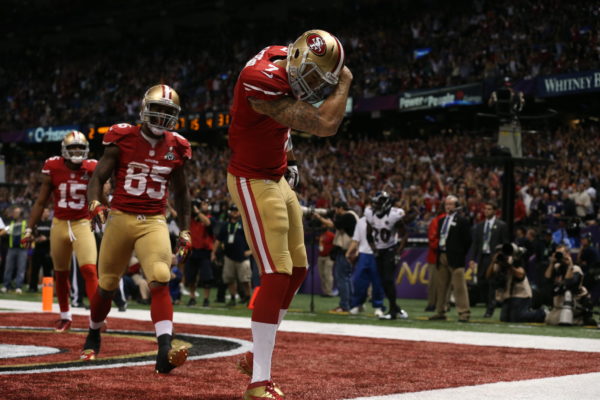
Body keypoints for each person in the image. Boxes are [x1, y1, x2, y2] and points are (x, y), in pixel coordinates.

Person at [226, 29, 351, 399]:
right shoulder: (259, 79)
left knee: (298, 269)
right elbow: (326, 124)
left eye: (322, 80)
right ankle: (258, 381)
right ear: (296, 61)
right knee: (277, 271)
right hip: (250, 178)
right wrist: (344, 81)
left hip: (276, 175)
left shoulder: (283, 54)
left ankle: (255, 357)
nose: (315, 87)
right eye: (312, 77)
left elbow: (282, 124)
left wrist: (291, 159)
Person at [80, 84, 192, 375]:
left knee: (160, 277)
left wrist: (185, 229)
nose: (161, 116)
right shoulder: (123, 136)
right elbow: (98, 176)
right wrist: (94, 201)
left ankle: (164, 347)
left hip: (154, 220)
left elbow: (182, 194)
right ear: (144, 109)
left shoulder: (178, 145)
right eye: (158, 109)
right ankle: (94, 332)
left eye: (168, 112)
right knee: (106, 286)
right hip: (120, 217)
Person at [365, 191, 409, 320]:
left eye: (378, 203)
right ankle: (396, 308)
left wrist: (398, 252)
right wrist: (374, 249)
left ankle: (393, 312)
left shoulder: (393, 215)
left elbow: (405, 234)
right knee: (384, 282)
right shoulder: (370, 214)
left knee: (388, 280)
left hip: (390, 249)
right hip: (380, 250)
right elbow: (369, 234)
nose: (375, 206)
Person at [429, 195, 472, 322]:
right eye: (446, 204)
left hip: (455, 257)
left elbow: (468, 240)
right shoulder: (442, 220)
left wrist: (460, 253)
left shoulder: (462, 221)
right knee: (441, 286)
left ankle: (464, 313)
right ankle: (440, 311)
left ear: (457, 206)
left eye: (451, 204)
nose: (448, 207)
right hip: (441, 254)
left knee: (459, 286)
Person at [315, 201, 358, 313]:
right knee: (346, 278)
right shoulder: (352, 216)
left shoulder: (348, 215)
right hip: (349, 250)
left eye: (337, 209)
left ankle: (344, 305)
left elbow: (333, 225)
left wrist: (319, 217)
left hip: (346, 251)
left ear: (341, 208)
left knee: (342, 278)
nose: (336, 212)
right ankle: (351, 304)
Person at [486, 243, 546, 323]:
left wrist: (509, 266)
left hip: (521, 294)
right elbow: (488, 276)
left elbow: (521, 275)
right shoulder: (498, 262)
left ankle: (541, 313)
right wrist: (493, 262)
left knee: (517, 318)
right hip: (508, 296)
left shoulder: (515, 260)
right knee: (504, 318)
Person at [470, 201, 509, 317]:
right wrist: (473, 259)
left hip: (494, 259)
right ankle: (490, 303)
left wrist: (501, 258)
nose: (486, 211)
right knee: (482, 282)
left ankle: (490, 308)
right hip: (483, 257)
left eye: (489, 209)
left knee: (491, 283)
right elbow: (475, 244)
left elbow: (505, 243)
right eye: (485, 209)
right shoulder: (480, 226)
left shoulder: (501, 225)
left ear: (495, 211)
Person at [211, 203, 252, 306]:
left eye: (236, 210)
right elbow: (218, 240)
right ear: (230, 212)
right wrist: (213, 252)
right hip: (229, 257)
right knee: (229, 279)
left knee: (245, 280)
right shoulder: (225, 225)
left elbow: (253, 239)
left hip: (243, 257)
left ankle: (248, 298)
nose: (235, 212)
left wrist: (251, 251)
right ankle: (233, 298)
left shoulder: (244, 225)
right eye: (233, 210)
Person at [544, 244, 595, 326]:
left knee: (556, 320)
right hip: (558, 304)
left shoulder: (576, 269)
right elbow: (546, 279)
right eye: (557, 253)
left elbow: (568, 283)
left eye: (561, 253)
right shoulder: (557, 267)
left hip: (573, 304)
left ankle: (580, 320)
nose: (559, 256)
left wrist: (569, 265)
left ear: (567, 254)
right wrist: (551, 263)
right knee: (549, 320)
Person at [346, 214, 385, 317]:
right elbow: (356, 239)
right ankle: (358, 304)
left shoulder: (382, 219)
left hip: (377, 254)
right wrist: (349, 252)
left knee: (377, 282)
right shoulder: (361, 221)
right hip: (363, 253)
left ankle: (378, 306)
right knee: (359, 281)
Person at [186, 198, 216, 307]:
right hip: (192, 251)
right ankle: (192, 297)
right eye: (203, 204)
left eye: (206, 204)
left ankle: (206, 299)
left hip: (205, 252)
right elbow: (177, 216)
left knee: (206, 278)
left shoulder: (210, 218)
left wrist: (197, 211)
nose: (205, 206)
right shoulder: (191, 219)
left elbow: (207, 223)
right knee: (191, 277)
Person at [2, 207, 29, 294]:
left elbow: (28, 235)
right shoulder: (11, 223)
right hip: (11, 248)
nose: (14, 214)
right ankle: (6, 285)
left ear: (20, 214)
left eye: (16, 212)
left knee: (21, 268)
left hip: (22, 249)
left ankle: (18, 286)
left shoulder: (25, 223)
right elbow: (5, 232)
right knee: (8, 268)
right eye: (14, 212)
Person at [27, 207, 53, 293]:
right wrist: (35, 238)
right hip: (37, 249)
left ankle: (48, 289)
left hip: (47, 250)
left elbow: (54, 236)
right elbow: (31, 235)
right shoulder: (37, 223)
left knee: (47, 271)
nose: (46, 213)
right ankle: (32, 287)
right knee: (35, 269)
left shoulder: (51, 223)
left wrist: (46, 238)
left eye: (47, 212)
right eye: (44, 212)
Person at [425, 210, 445, 311]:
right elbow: (432, 240)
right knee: (444, 283)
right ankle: (442, 305)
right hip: (437, 255)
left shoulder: (436, 220)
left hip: (437, 255)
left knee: (435, 282)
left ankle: (433, 304)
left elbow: (432, 240)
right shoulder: (437, 221)